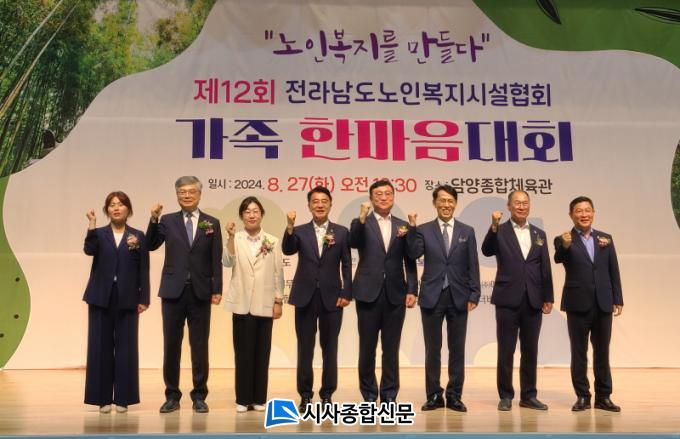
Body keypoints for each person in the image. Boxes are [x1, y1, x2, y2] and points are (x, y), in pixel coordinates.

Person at [146, 176, 223, 413]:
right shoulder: (167, 220)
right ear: (177, 195)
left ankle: (199, 395)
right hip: (173, 291)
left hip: (200, 291)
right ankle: (172, 395)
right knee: (171, 345)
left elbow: (216, 258)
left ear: (199, 194)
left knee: (199, 346)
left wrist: (217, 288)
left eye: (191, 191)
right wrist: (153, 219)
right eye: (182, 192)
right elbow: (150, 244)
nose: (186, 195)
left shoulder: (211, 222)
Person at [406, 185, 480, 412]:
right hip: (432, 295)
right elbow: (413, 253)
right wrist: (412, 228)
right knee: (433, 349)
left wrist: (475, 293)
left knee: (457, 349)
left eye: (450, 201)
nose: (446, 205)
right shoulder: (424, 229)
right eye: (442, 200)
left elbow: (473, 264)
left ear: (455, 203)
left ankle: (454, 395)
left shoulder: (467, 231)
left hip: (459, 295)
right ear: (434, 203)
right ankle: (434, 395)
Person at [481, 190, 553, 411]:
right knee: (506, 350)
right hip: (507, 298)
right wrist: (493, 226)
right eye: (517, 203)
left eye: (525, 203)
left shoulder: (539, 233)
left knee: (530, 350)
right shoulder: (500, 230)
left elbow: (545, 266)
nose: (521, 206)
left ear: (529, 205)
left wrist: (548, 296)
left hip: (533, 299)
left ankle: (529, 395)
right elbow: (486, 250)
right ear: (509, 206)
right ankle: (505, 395)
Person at [281, 186, 352, 413]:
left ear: (330, 204)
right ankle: (305, 394)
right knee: (305, 348)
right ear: (309, 205)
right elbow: (288, 250)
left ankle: (327, 394)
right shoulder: (299, 231)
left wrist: (346, 292)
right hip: (305, 296)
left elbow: (347, 264)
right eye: (315, 201)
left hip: (333, 297)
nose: (320, 205)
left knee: (330, 348)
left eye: (324, 201)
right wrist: (289, 227)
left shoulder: (341, 232)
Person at [349, 179, 417, 404]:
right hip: (368, 293)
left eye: (388, 193)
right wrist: (361, 217)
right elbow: (353, 241)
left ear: (394, 197)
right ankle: (369, 395)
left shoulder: (402, 226)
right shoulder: (361, 223)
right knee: (367, 348)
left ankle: (389, 396)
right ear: (371, 198)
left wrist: (412, 289)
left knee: (391, 349)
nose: (384, 198)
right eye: (379, 194)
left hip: (395, 294)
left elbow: (410, 259)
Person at [554, 196, 623, 412]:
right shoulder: (563, 238)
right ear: (571, 215)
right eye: (579, 211)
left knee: (602, 352)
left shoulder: (605, 238)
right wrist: (565, 246)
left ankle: (604, 396)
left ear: (593, 213)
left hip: (603, 302)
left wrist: (618, 298)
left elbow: (613, 269)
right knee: (579, 353)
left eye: (587, 210)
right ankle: (582, 396)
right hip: (577, 304)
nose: (584, 214)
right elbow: (558, 258)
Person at [83, 191, 149, 413]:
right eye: (112, 205)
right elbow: (89, 250)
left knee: (126, 349)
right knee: (100, 348)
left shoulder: (138, 235)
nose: (116, 208)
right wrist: (92, 225)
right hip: (100, 296)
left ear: (128, 209)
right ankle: (102, 398)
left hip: (128, 298)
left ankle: (123, 398)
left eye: (120, 204)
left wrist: (144, 298)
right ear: (106, 210)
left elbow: (144, 269)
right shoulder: (99, 234)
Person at [222, 196, 284, 413]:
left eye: (255, 211)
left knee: (262, 352)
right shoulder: (236, 238)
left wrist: (278, 300)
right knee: (242, 353)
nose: (251, 215)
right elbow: (227, 262)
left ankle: (259, 398)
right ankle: (242, 398)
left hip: (265, 303)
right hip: (241, 303)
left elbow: (278, 273)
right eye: (247, 211)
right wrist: (230, 237)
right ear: (242, 215)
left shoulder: (272, 241)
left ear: (262, 214)